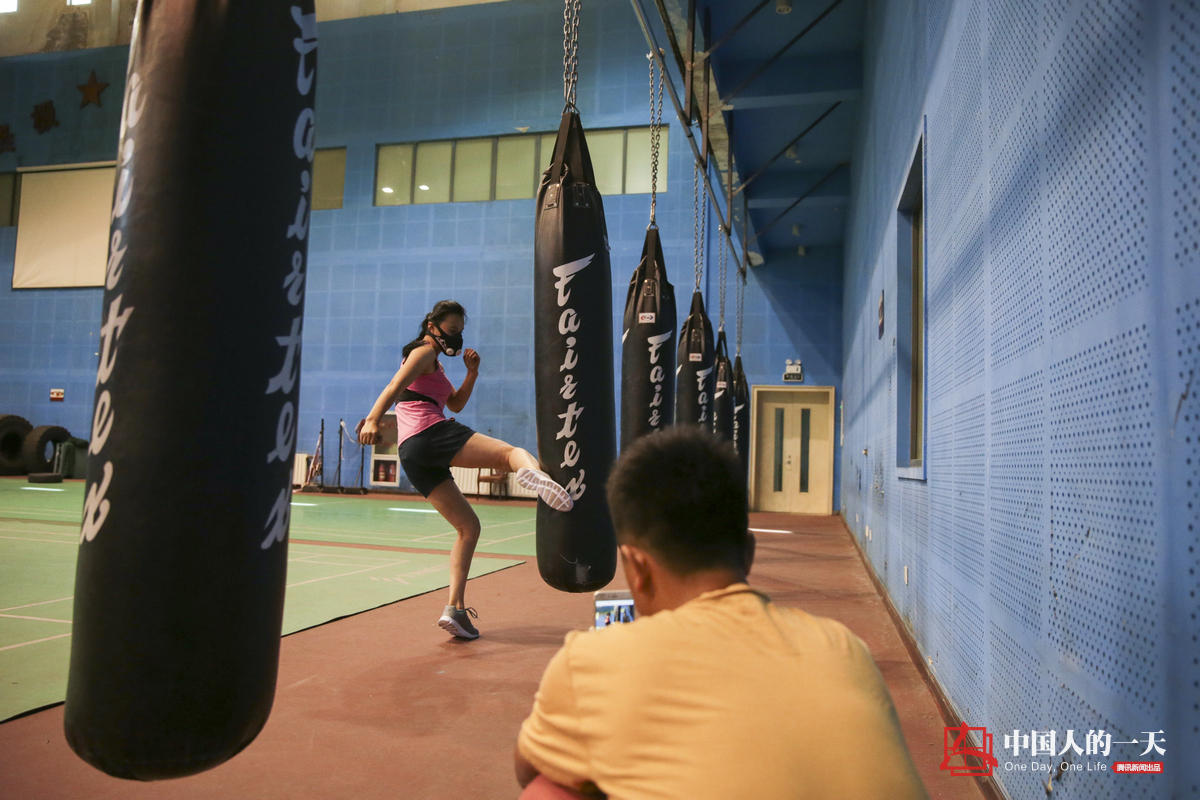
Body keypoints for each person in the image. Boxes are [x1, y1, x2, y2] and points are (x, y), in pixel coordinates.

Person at [514, 426, 929, 799]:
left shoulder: (589, 662)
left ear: (635, 567)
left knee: (550, 791)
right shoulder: (845, 648)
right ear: (748, 553)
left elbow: (527, 768)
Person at [358, 300, 574, 640]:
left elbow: (455, 403)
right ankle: (534, 475)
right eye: (452, 330)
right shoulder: (424, 352)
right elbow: (393, 386)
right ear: (433, 325)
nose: (456, 337)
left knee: (467, 527)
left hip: (413, 452)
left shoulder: (438, 367)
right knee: (510, 454)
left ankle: (454, 610)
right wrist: (372, 418)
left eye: (460, 332)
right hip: (430, 433)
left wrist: (472, 372)